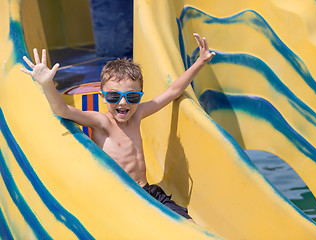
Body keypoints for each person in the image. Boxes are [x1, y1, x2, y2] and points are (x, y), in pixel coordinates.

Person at [20, 33, 215, 220]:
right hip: (123, 198)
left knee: (187, 226)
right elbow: (62, 110)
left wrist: (200, 62)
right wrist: (47, 83)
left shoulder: (137, 114)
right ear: (103, 97)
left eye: (131, 97)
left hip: (149, 192)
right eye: (114, 96)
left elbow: (173, 91)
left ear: (139, 96)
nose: (123, 103)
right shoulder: (102, 123)